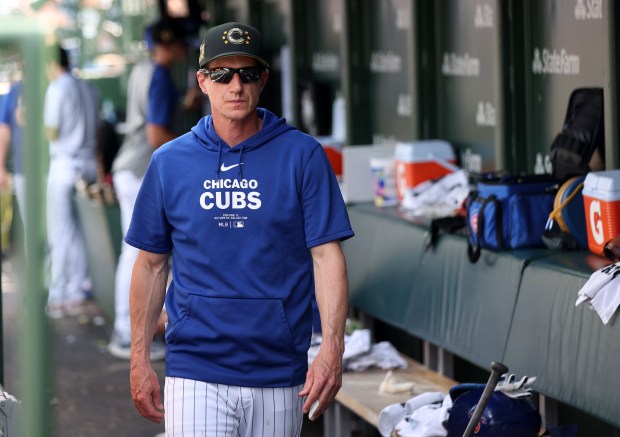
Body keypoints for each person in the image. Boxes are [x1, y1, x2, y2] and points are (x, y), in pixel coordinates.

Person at [127, 22, 354, 436]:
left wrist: (332, 349)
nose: (235, 85)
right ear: (202, 81)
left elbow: (327, 257)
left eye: (247, 74)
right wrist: (139, 359)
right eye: (221, 74)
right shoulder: (169, 161)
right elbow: (150, 266)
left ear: (263, 80)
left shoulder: (302, 156)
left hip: (277, 370)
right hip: (195, 367)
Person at [107, 18, 190, 360]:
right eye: (183, 42)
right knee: (140, 252)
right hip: (141, 167)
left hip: (130, 165)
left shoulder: (145, 69)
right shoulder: (158, 74)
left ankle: (125, 330)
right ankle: (128, 333)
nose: (187, 48)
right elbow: (156, 136)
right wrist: (194, 150)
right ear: (169, 45)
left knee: (135, 252)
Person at [44, 46, 101, 318]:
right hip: (88, 161)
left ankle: (58, 294)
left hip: (65, 162)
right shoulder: (88, 88)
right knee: (80, 233)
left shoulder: (57, 87)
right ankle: (77, 289)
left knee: (61, 231)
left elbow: (52, 130)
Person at [0, 77, 25, 226]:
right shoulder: (16, 91)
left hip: (53, 167)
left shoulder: (54, 87)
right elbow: (4, 131)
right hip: (24, 169)